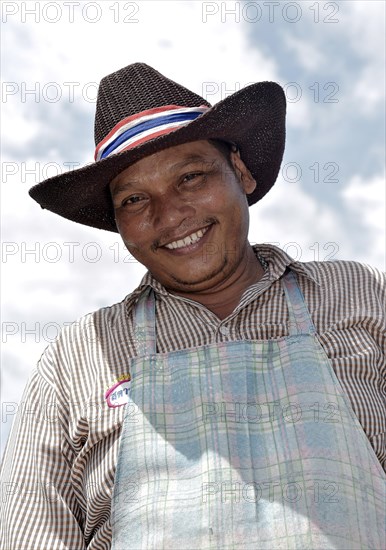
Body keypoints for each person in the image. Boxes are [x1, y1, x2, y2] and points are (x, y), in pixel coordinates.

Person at [0, 62, 384, 550]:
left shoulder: (363, 294)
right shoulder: (75, 359)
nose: (170, 214)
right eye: (136, 199)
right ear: (118, 222)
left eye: (190, 177)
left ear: (240, 172)